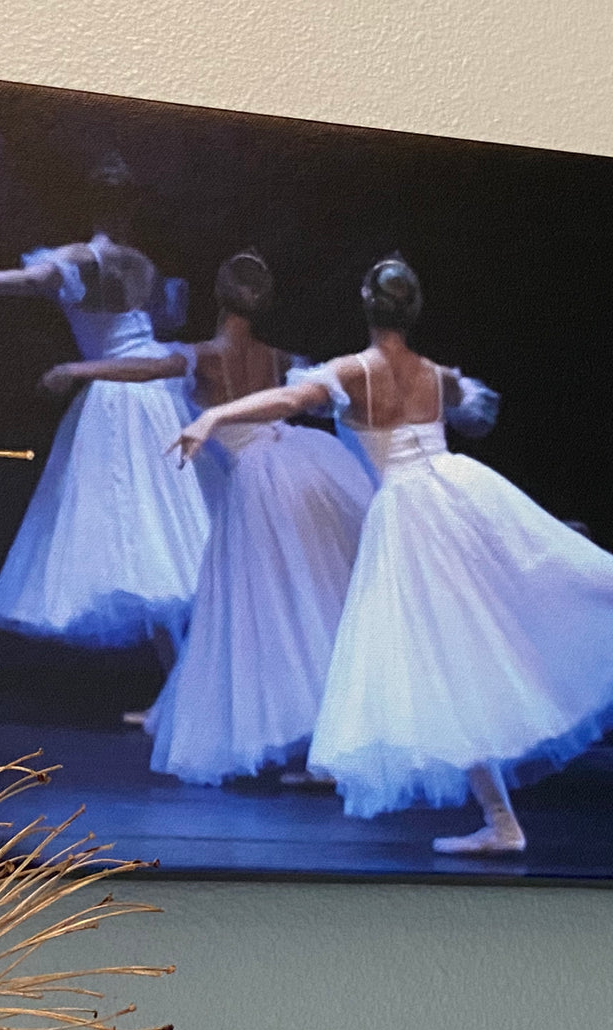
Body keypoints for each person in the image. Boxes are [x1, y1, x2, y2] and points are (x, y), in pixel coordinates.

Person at [173, 255, 613, 854]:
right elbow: (472, 415)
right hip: (460, 483)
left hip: (409, 512)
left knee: (446, 659)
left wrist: (212, 414)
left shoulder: (352, 371)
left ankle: (502, 820)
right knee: (550, 561)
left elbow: (284, 403)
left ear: (366, 305)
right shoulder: (435, 374)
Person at [46, 251, 376, 782]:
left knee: (264, 608)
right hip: (302, 462)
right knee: (307, 602)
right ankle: (326, 735)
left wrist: (77, 367)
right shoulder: (278, 357)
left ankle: (311, 734)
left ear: (218, 299)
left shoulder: (208, 355)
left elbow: (145, 368)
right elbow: (323, 398)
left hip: (259, 481)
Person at [0, 153, 208, 652]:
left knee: (135, 519)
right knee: (165, 519)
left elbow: (17, 283)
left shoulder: (81, 260)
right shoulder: (142, 264)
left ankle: (180, 677)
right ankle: (179, 679)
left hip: (117, 390)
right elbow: (164, 322)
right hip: (158, 387)